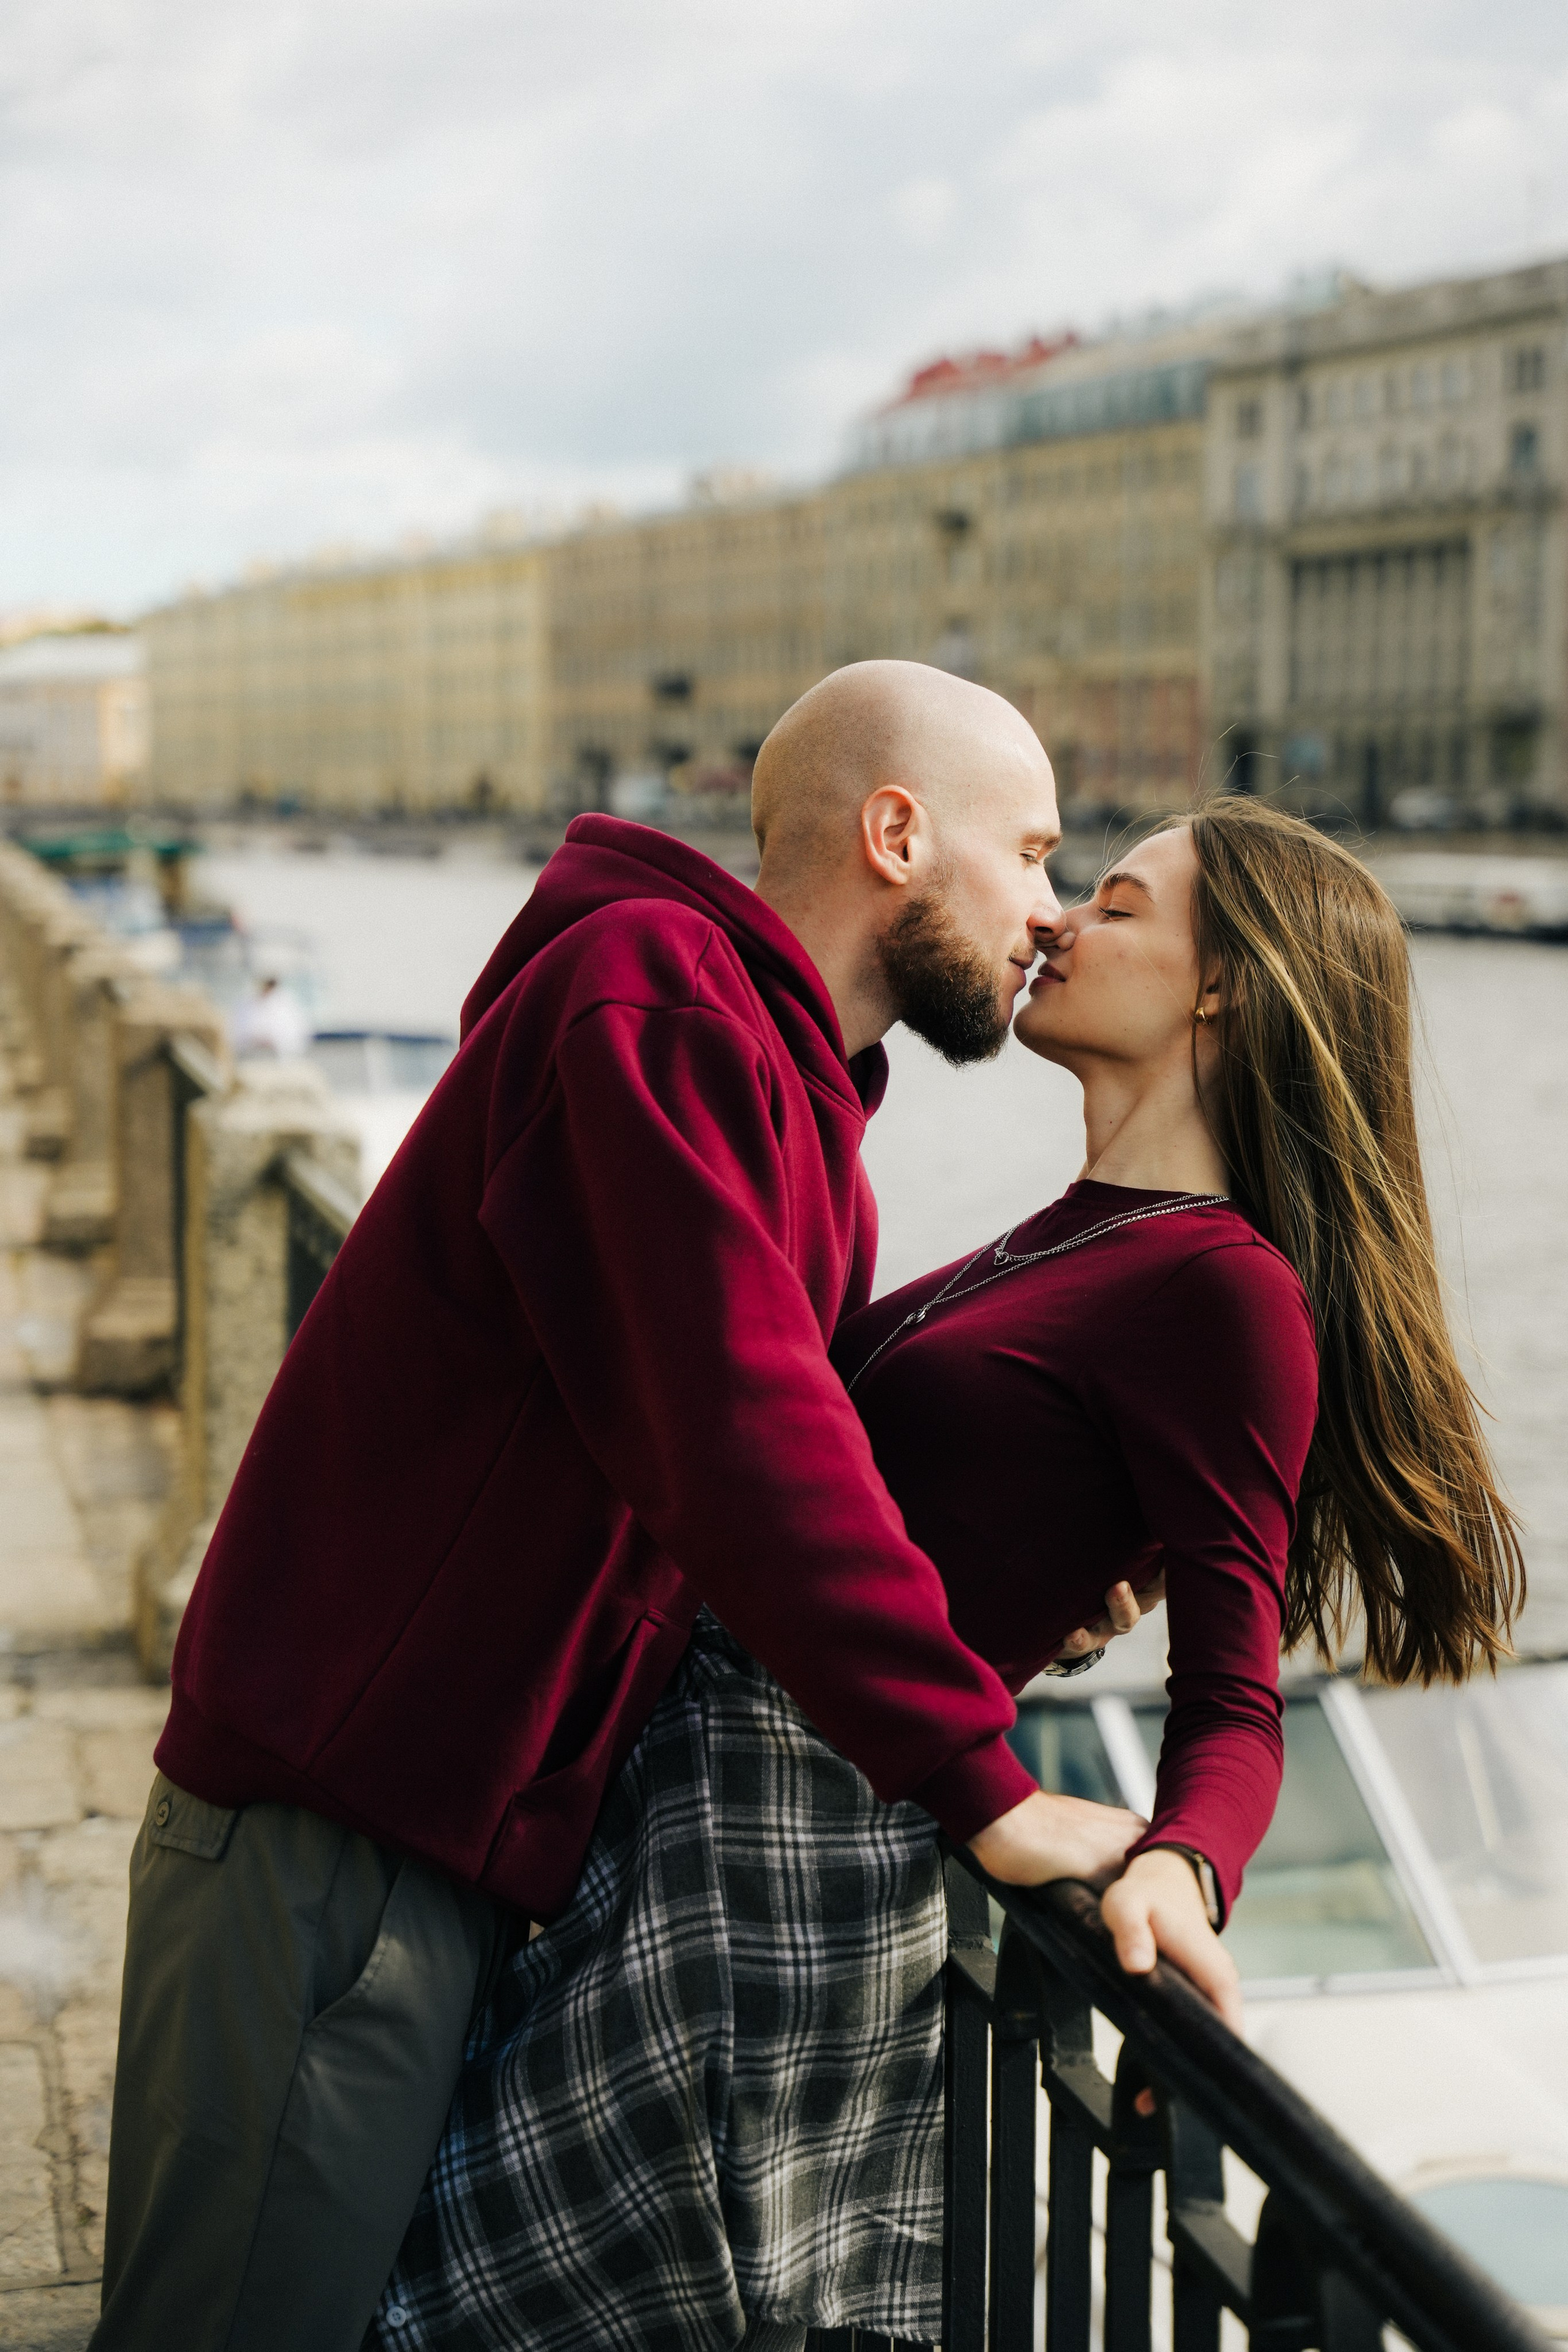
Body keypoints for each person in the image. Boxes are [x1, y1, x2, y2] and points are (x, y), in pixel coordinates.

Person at [92, 662, 1147, 2352]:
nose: (1043, 909)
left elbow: (761, 1443)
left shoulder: (779, 1088)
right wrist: (983, 1786)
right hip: (348, 1842)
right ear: (895, 831)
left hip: (448, 1839)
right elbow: (739, 1433)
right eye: (1026, 853)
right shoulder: (655, 1002)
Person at [379, 796, 1520, 2352]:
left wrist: (1179, 1866)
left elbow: (1234, 1696)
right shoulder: (1072, 1229)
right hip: (690, 1816)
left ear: (1223, 984)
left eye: (1111, 902)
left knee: (511, 2303)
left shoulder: (1225, 1288)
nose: (1051, 920)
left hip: (797, 1862)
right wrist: (1011, 1613)